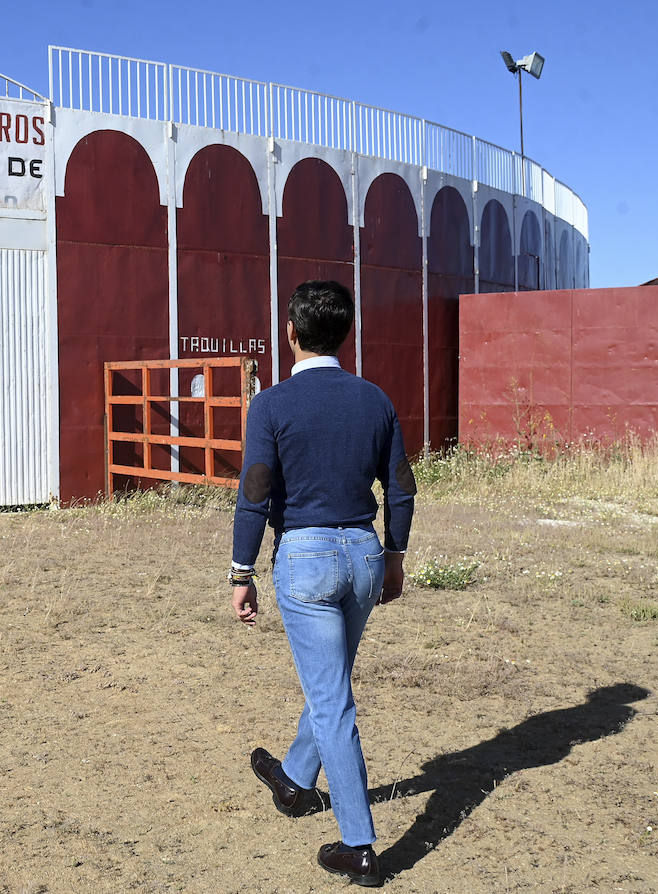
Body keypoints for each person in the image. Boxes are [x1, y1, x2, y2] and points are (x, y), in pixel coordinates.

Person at [228, 279, 415, 887]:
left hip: (305, 559)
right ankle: (294, 781)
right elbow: (402, 489)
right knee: (328, 682)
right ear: (347, 333)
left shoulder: (273, 404)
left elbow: (255, 494)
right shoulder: (376, 400)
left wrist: (241, 570)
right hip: (363, 555)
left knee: (333, 699)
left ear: (291, 332)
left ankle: (359, 844)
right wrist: (395, 558)